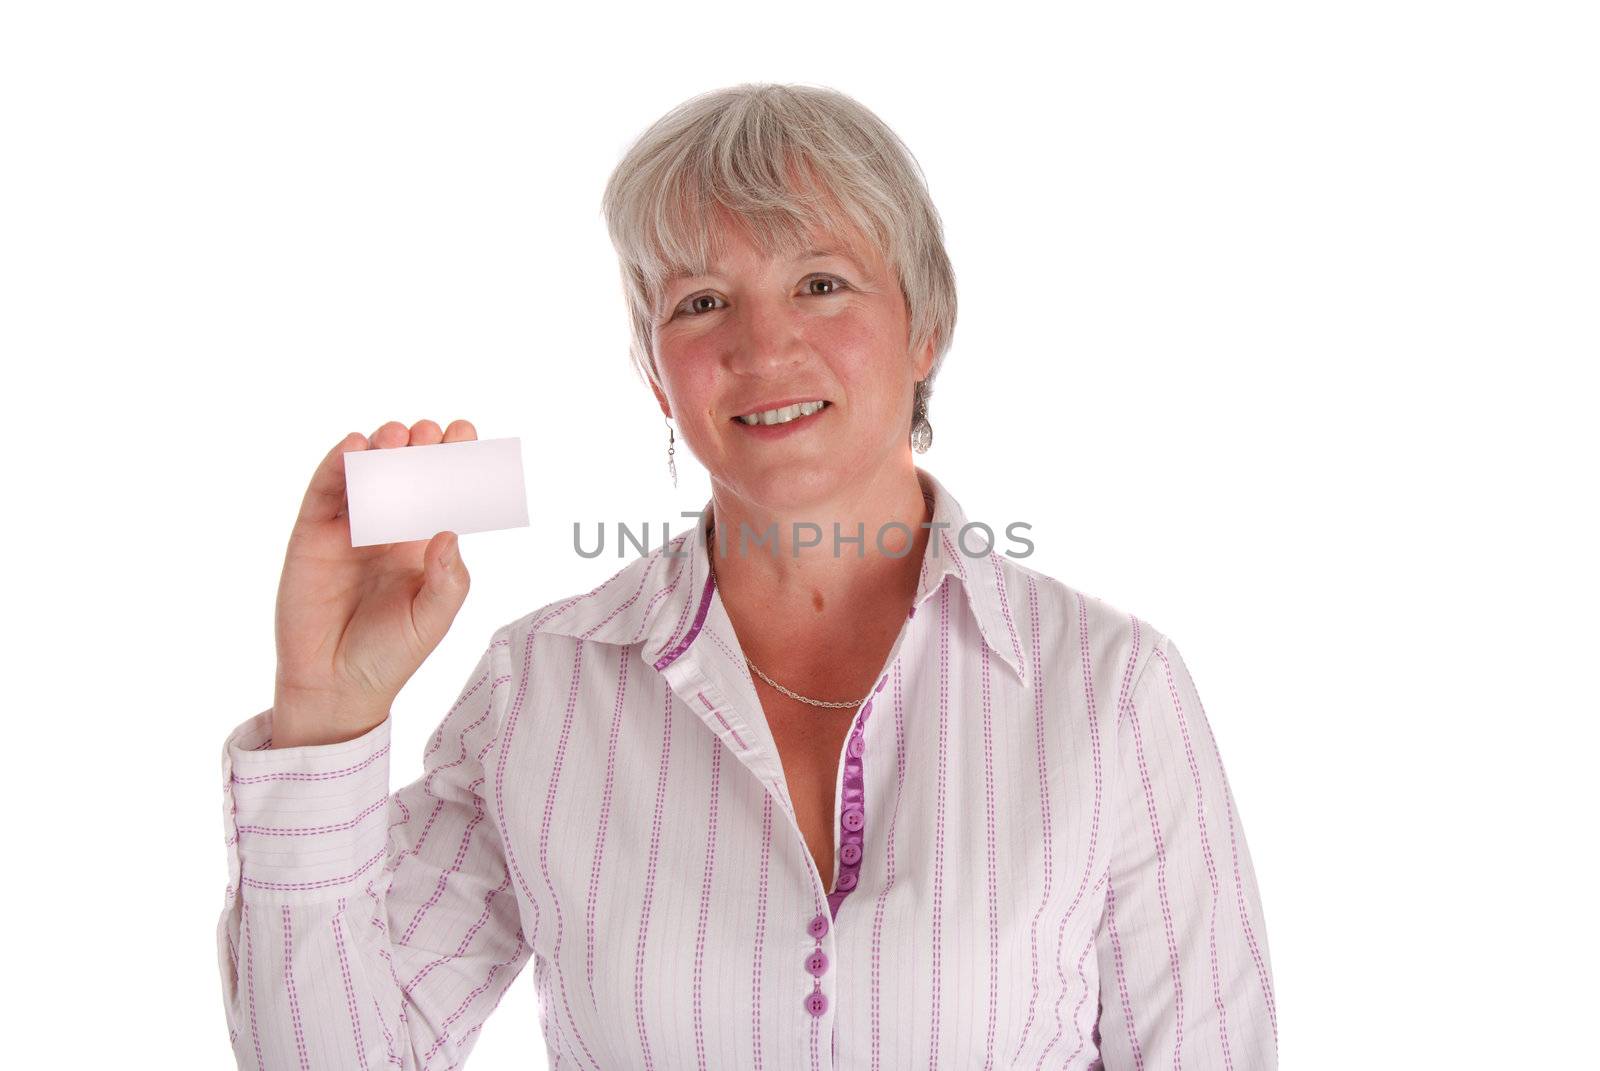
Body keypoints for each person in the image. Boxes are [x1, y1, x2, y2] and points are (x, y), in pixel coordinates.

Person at [216, 82, 1278, 1069]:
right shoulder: (537, 690)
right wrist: (326, 711)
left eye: (821, 283)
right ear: (652, 373)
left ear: (928, 326)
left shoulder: (1111, 688)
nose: (763, 346)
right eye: (701, 302)